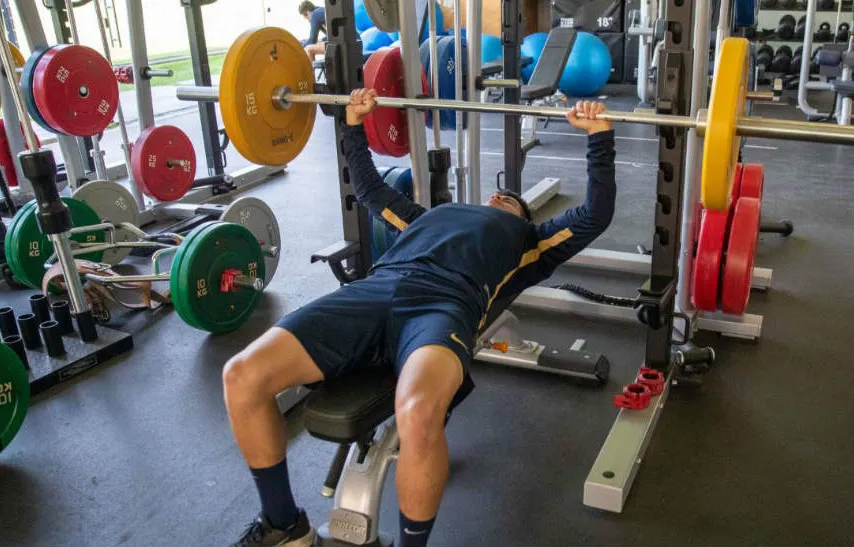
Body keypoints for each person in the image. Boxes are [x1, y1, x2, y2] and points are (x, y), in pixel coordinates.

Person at [224, 89, 617, 547]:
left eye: (510, 200)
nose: (499, 197)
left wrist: (599, 137)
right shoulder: (429, 217)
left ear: (522, 215)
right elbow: (370, 189)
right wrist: (353, 123)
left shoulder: (531, 242)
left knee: (417, 412)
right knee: (242, 375)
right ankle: (284, 525)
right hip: (373, 291)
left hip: (443, 306)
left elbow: (594, 215)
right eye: (496, 195)